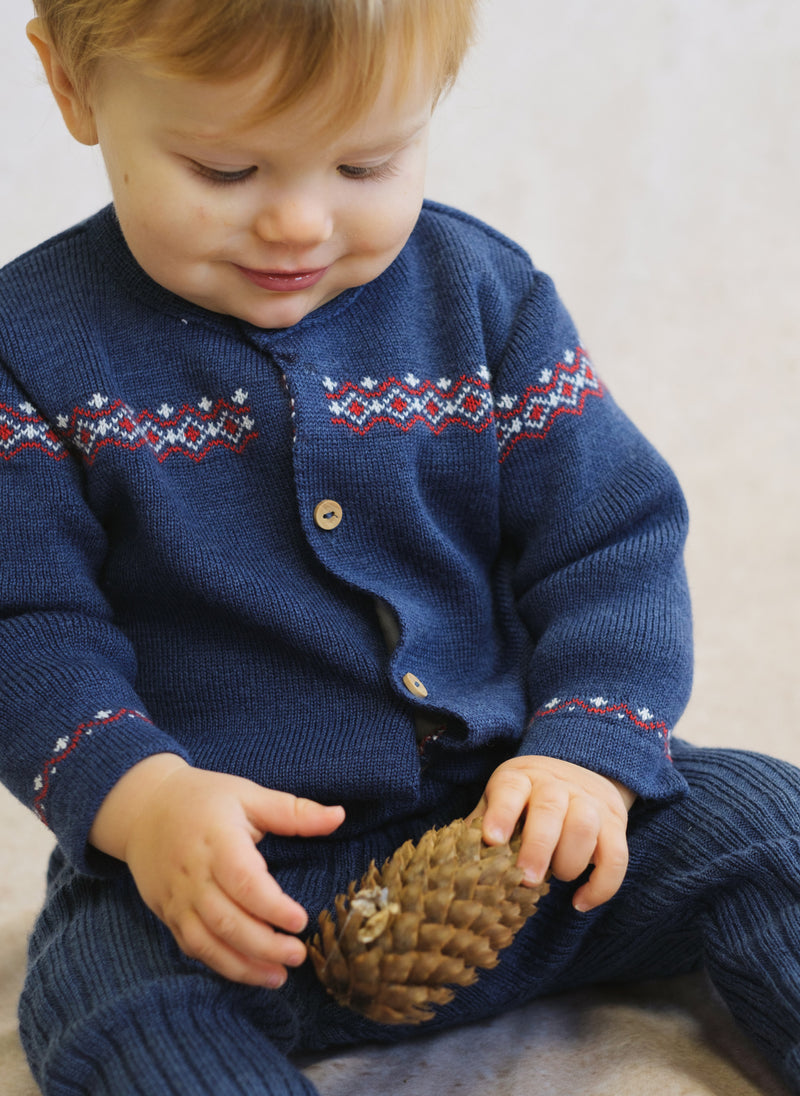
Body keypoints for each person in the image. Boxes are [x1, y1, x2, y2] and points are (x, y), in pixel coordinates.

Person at [1, 1, 799, 1093]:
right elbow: (26, 619)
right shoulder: (30, 355)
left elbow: (609, 543)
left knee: (764, 821)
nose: (297, 222)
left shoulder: (485, 299)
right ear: (72, 88)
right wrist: (139, 800)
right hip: (226, 891)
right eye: (225, 170)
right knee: (108, 1003)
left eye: (365, 163)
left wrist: (585, 752)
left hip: (511, 835)